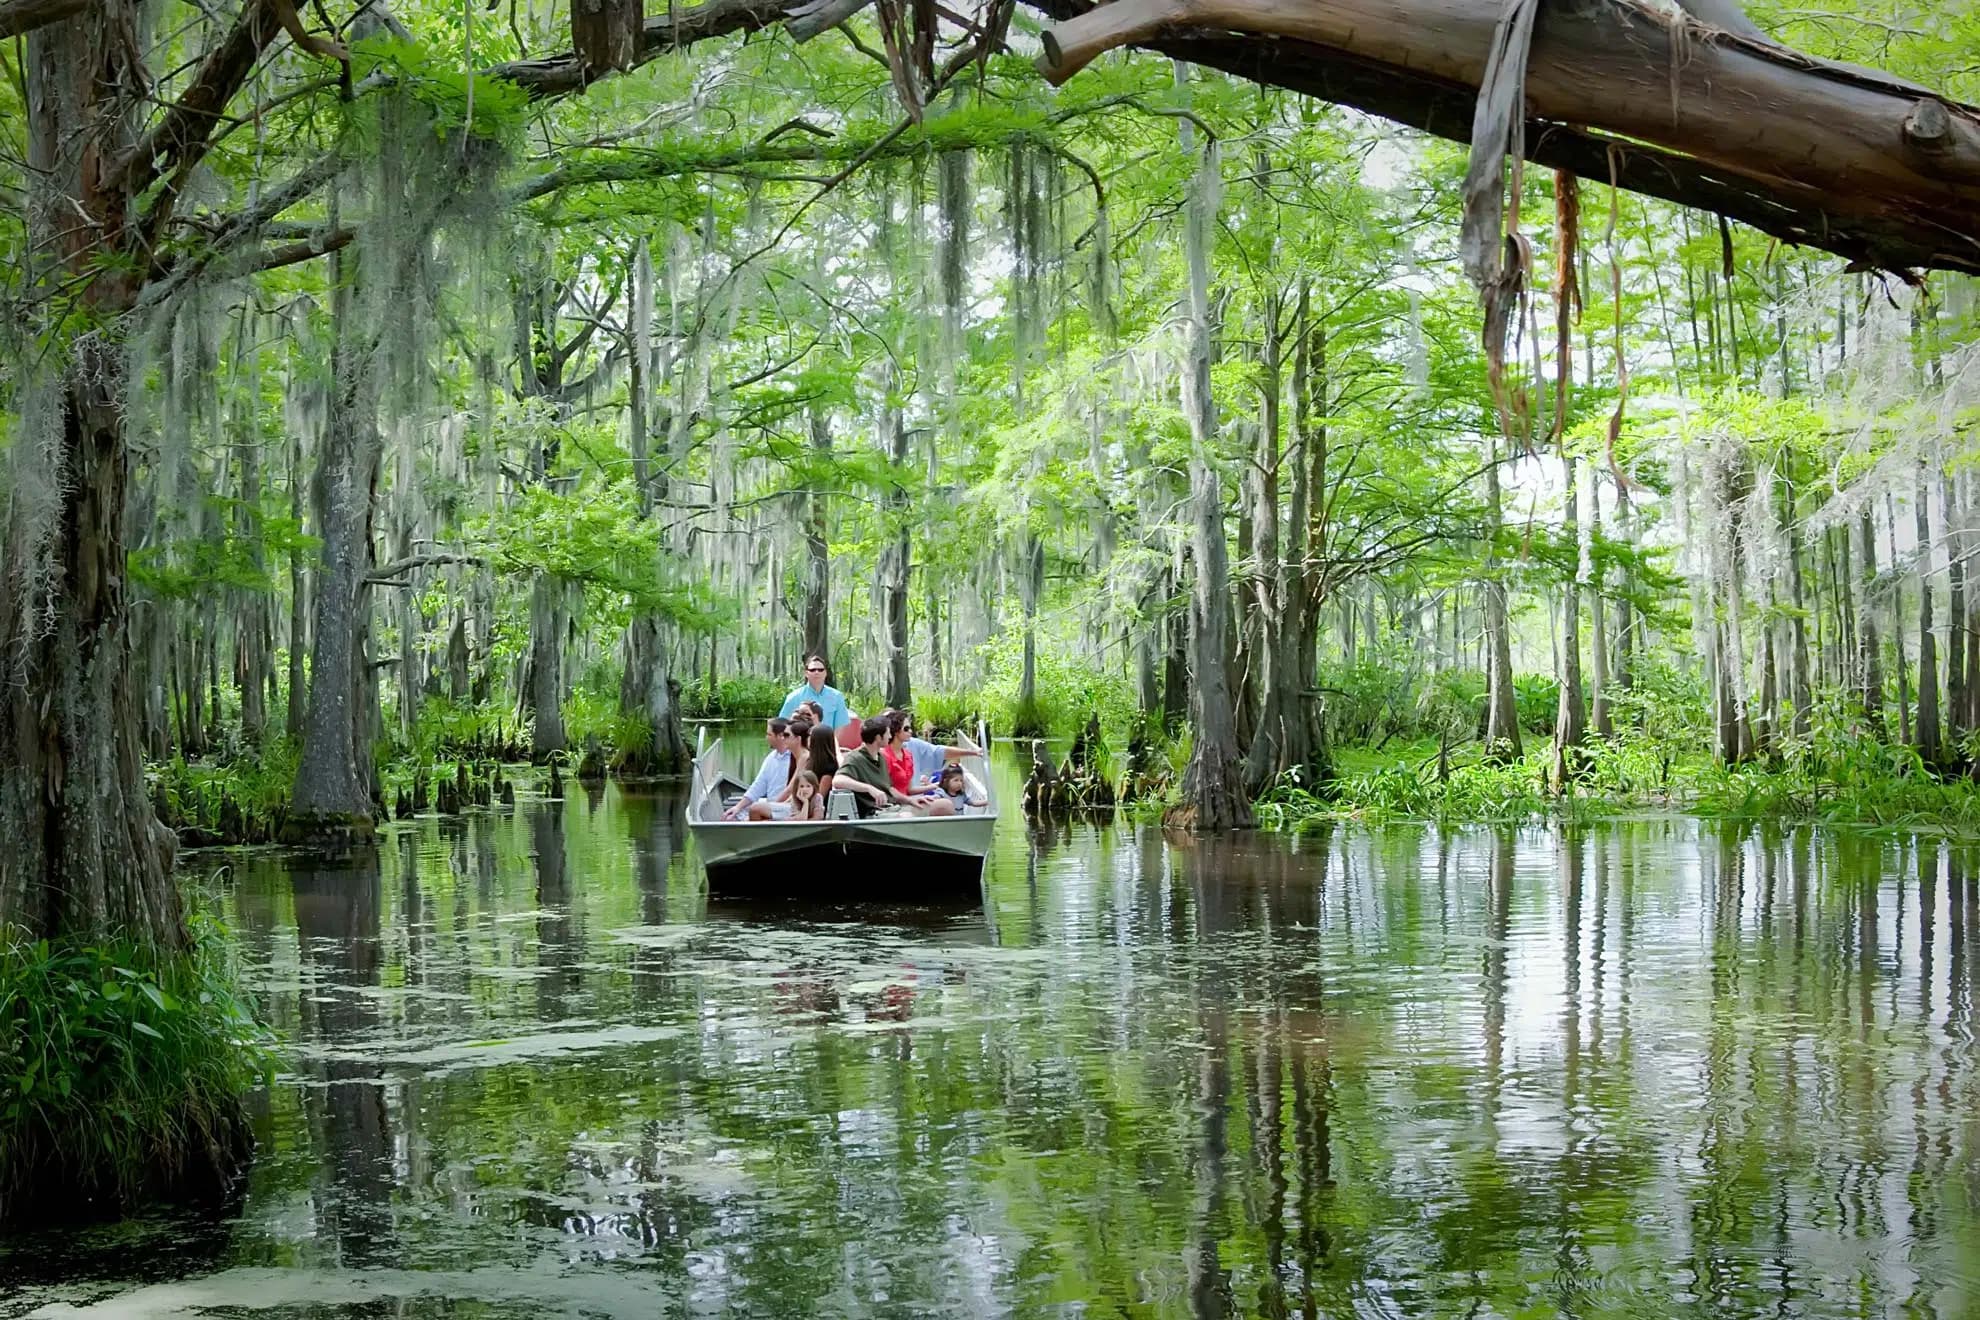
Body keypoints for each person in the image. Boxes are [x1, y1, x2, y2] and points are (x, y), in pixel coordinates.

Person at [724, 719, 793, 820]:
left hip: (785, 808)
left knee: (754, 809)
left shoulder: (794, 758)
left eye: (769, 735)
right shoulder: (771, 757)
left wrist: (772, 807)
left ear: (780, 736)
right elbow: (758, 786)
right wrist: (738, 807)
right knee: (735, 814)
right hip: (770, 807)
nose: (766, 738)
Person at [898, 713, 977, 792]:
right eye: (906, 728)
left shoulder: (912, 746)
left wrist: (973, 752)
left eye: (909, 728)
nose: (910, 731)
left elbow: (939, 752)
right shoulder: (889, 755)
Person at [833, 719, 896, 818]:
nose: (890, 736)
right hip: (873, 813)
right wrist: (869, 788)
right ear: (878, 737)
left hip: (891, 808)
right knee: (908, 816)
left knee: (926, 808)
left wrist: (910, 800)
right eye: (888, 733)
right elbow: (838, 780)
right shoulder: (855, 758)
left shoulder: (881, 758)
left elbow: (889, 789)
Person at [778, 655, 852, 729]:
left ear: (825, 673)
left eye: (820, 670)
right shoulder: (793, 697)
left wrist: (830, 740)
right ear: (806, 673)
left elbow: (840, 727)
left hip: (827, 739)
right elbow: (783, 725)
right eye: (812, 670)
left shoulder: (837, 697)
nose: (817, 672)